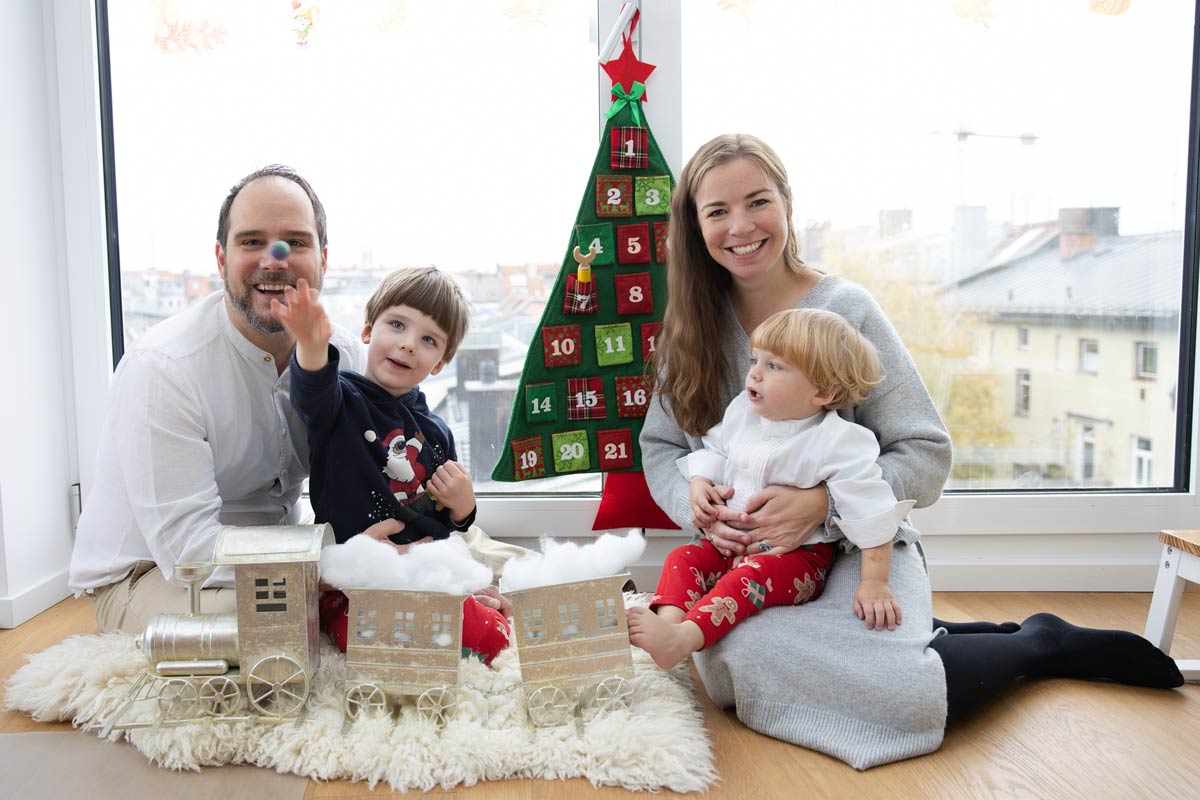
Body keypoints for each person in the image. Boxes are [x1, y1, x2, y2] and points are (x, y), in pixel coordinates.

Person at [639, 133, 1184, 769]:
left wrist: (821, 504)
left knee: (888, 688)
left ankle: (1041, 645)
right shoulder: (692, 326)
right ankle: (934, 643)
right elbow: (663, 448)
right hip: (746, 561)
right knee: (751, 655)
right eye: (717, 211)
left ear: (787, 203)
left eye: (758, 202)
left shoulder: (846, 310)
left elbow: (924, 454)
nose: (741, 226)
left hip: (857, 549)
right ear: (695, 223)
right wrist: (696, 502)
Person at [67, 165, 367, 635]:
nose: (275, 260)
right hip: (153, 575)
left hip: (278, 553)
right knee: (288, 625)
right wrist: (330, 572)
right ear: (221, 259)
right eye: (251, 242)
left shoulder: (345, 356)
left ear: (323, 260)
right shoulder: (165, 367)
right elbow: (189, 553)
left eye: (296, 242)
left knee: (392, 603)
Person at [629, 308, 915, 669]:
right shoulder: (743, 414)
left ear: (822, 390)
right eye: (755, 360)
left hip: (796, 563)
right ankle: (668, 627)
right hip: (730, 546)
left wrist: (874, 583)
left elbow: (873, 515)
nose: (755, 373)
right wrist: (700, 482)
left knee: (745, 582)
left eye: (775, 366)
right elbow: (715, 450)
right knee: (682, 558)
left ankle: (684, 639)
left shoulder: (839, 442)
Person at [272, 266, 509, 662]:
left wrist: (464, 506)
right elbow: (311, 389)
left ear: (439, 363)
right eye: (397, 325)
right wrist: (310, 343)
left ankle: (477, 610)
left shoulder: (435, 432)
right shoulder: (341, 402)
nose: (409, 344)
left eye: (428, 339)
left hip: (427, 573)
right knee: (372, 645)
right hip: (355, 583)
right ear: (368, 331)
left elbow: (446, 523)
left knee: (493, 638)